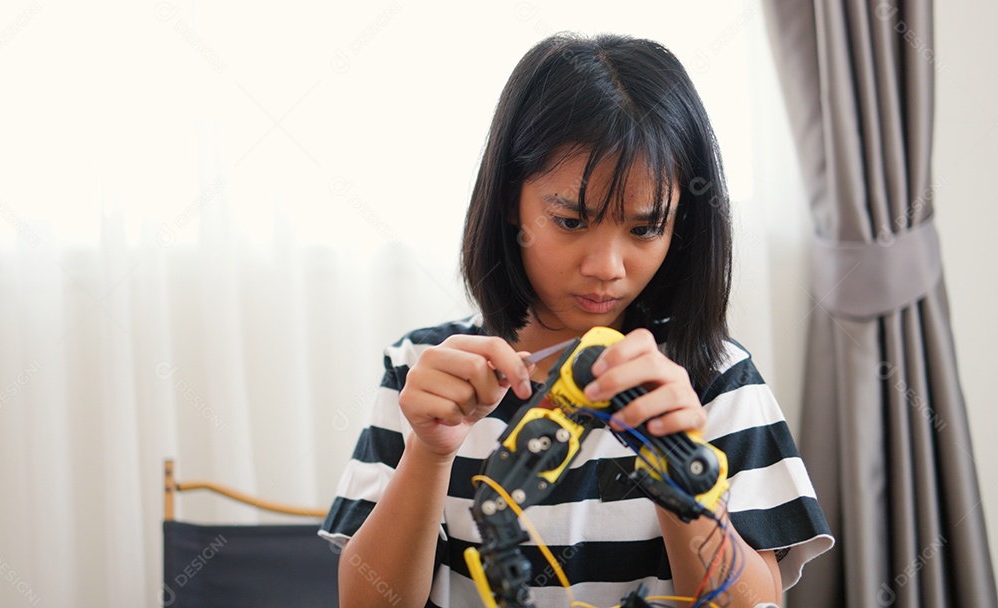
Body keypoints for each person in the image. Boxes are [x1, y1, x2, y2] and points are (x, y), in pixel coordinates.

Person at [319, 33, 833, 607]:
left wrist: (683, 480)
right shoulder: (424, 373)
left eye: (644, 229)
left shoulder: (715, 383)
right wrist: (429, 453)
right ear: (511, 199)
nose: (606, 268)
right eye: (569, 221)